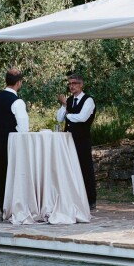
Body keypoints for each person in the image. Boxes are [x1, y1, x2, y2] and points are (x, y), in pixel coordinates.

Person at [0, 68, 30, 214]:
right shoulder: (17, 102)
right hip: (10, 145)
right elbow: (23, 128)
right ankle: (12, 207)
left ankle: (2, 206)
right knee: (11, 176)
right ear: (19, 83)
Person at [57, 73, 97, 211]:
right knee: (70, 169)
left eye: (74, 83)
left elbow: (82, 118)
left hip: (82, 140)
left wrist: (68, 114)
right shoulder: (68, 100)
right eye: (69, 84)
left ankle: (90, 199)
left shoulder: (88, 100)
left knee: (85, 168)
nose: (71, 86)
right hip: (68, 140)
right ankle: (74, 198)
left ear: (81, 84)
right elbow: (59, 118)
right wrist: (64, 106)